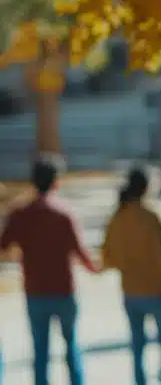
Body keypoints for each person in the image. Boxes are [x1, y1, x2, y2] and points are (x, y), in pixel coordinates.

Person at [0, 154, 100, 385]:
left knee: (40, 351)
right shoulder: (64, 214)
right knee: (71, 346)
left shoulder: (20, 214)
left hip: (35, 290)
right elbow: (79, 251)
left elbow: (3, 244)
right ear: (56, 181)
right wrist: (96, 268)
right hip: (64, 289)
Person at [101, 168, 161, 385]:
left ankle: (140, 380)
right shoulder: (153, 215)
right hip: (158, 289)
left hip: (131, 290)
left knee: (137, 342)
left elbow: (107, 256)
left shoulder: (119, 216)